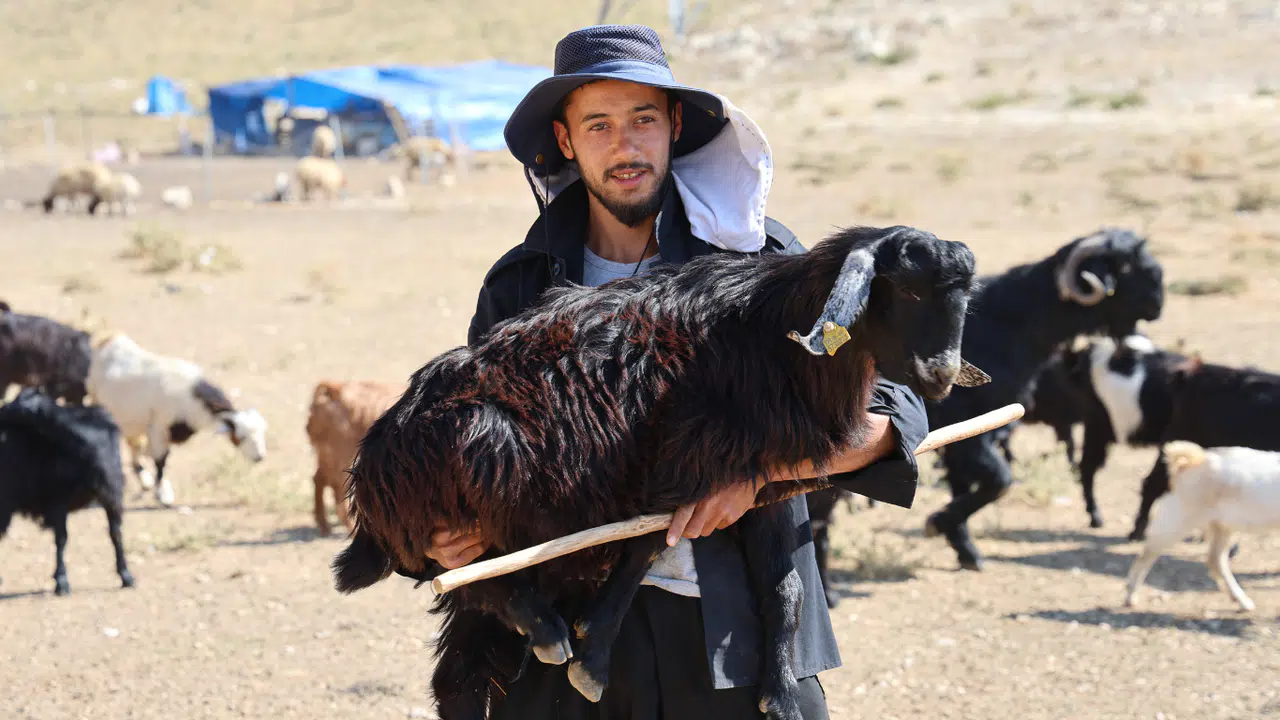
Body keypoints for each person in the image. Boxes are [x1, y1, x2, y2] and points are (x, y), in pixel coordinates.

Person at [431, 24, 931, 719]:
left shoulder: (760, 263)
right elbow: (474, 451)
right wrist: (449, 537)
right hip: (564, 643)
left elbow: (895, 411)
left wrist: (759, 474)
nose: (625, 144)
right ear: (567, 141)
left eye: (642, 119)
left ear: (672, 126)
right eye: (599, 125)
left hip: (736, 636)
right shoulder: (520, 287)